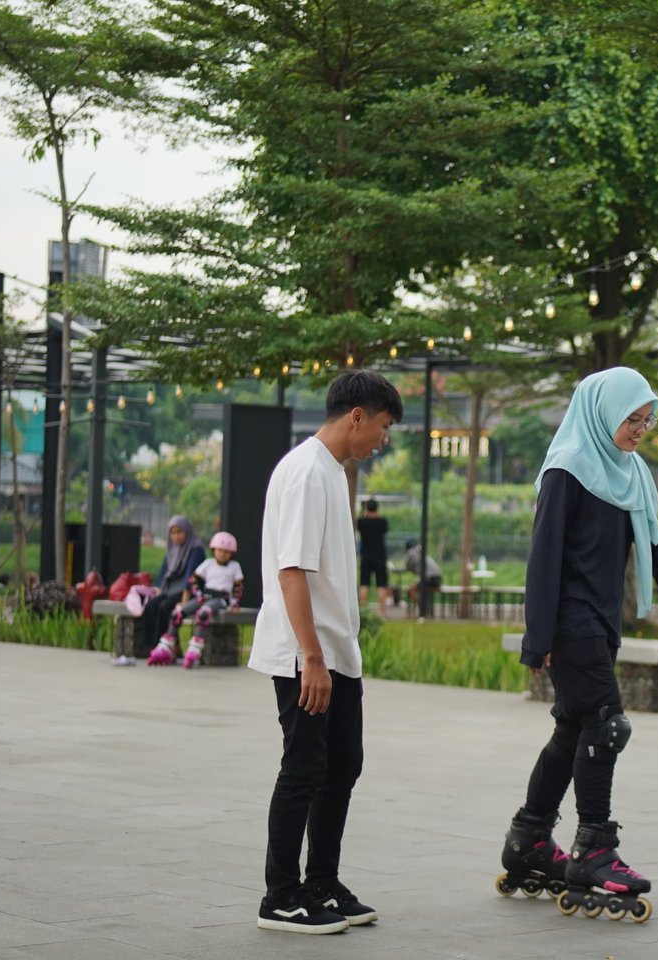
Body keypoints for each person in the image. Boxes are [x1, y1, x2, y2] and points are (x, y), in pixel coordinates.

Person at [499, 367, 658, 918]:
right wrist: (537, 636)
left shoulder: (633, 474)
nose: (641, 429)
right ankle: (594, 847)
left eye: (647, 420)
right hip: (572, 624)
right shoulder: (566, 470)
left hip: (602, 623)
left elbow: (656, 546)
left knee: (574, 729)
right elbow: (543, 558)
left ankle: (528, 840)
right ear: (601, 413)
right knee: (607, 724)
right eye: (632, 419)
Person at [247, 370, 402, 936]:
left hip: (336, 650)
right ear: (356, 416)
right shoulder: (308, 473)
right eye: (382, 427)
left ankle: (321, 882)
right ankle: (280, 896)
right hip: (305, 653)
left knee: (341, 766)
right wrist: (310, 657)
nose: (382, 440)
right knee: (305, 767)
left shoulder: (331, 473)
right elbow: (291, 571)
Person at [147, 531, 244, 669]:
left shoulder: (234, 566)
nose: (222, 554)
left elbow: (238, 587)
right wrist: (198, 594)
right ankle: (166, 646)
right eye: (220, 550)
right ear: (213, 550)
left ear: (232, 553)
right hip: (204, 596)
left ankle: (195, 647)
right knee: (177, 613)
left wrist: (235, 602)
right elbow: (193, 579)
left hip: (221, 599)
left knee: (203, 613)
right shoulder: (208, 563)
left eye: (226, 551)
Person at [115, 517, 204, 666]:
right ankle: (153, 645)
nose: (176, 536)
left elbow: (191, 575)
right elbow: (164, 571)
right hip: (171, 590)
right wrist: (158, 589)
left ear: (187, 532)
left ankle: (165, 646)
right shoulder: (172, 548)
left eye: (179, 532)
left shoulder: (196, 549)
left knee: (165, 607)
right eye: (173, 533)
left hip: (189, 592)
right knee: (151, 606)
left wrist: (185, 599)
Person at [355, 500, 390, 616]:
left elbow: (359, 527)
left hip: (366, 555)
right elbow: (385, 530)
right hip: (380, 556)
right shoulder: (383, 521)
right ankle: (383, 612)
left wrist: (363, 513)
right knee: (381, 584)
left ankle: (364, 612)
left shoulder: (362, 521)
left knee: (364, 583)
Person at [403, 538, 442, 614]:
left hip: (430, 579)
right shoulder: (420, 551)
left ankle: (423, 610)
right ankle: (424, 609)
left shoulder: (411, 553)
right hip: (437, 578)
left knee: (411, 589)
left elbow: (407, 566)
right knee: (418, 589)